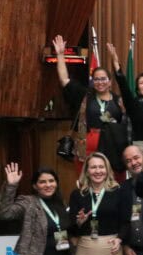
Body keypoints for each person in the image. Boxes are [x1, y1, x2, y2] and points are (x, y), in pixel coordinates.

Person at [53, 35, 129, 178]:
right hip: (86, 146)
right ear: (93, 81)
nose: (100, 82)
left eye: (103, 79)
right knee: (87, 181)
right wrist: (60, 55)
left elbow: (124, 124)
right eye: (96, 79)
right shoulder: (85, 95)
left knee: (113, 182)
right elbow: (64, 79)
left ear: (110, 81)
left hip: (112, 147)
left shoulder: (118, 100)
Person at [106, 42, 143, 155]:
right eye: (141, 83)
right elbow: (123, 86)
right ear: (138, 90)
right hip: (142, 149)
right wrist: (116, 63)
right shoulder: (135, 105)